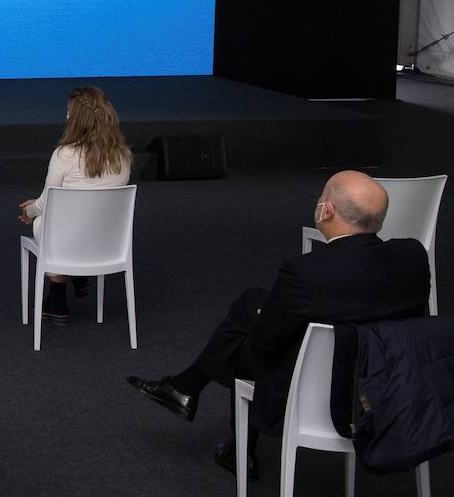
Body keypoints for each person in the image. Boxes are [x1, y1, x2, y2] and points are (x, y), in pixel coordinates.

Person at [127, 171, 429, 479]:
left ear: (327, 210)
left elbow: (263, 344)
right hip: (393, 387)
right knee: (254, 301)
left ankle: (219, 427)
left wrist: (263, 317)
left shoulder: (307, 272)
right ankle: (189, 394)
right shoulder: (413, 256)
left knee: (243, 339)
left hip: (324, 391)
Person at [18, 86, 132, 323]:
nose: (66, 117)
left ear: (77, 120)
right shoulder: (124, 156)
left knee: (44, 223)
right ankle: (74, 281)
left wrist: (30, 211)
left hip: (69, 239)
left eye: (69, 113)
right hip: (107, 242)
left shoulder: (64, 155)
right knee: (57, 220)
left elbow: (46, 202)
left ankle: (58, 299)